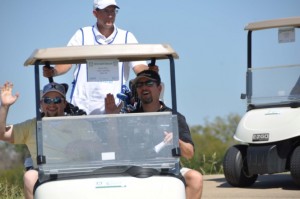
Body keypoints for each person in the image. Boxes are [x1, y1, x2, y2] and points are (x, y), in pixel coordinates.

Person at [105, 70, 203, 199]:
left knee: (195, 178)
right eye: (139, 85)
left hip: (167, 171)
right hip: (136, 171)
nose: (144, 87)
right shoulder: (129, 118)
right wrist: (112, 117)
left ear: (159, 88)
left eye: (149, 83)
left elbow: (189, 153)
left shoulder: (174, 117)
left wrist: (176, 141)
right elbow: (115, 148)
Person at [43, 0, 148, 115]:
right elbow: (67, 62)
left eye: (113, 11)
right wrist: (54, 71)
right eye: (106, 11)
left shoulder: (127, 37)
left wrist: (150, 75)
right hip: (81, 109)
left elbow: (139, 66)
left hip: (113, 112)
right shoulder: (82, 34)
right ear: (95, 13)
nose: (110, 15)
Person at [0, 81, 68, 199]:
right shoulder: (32, 125)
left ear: (64, 103)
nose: (52, 104)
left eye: (57, 100)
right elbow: (2, 134)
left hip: (73, 172)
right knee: (30, 176)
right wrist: (5, 107)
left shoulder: (78, 122)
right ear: (41, 103)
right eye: (47, 100)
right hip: (44, 176)